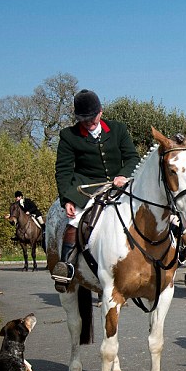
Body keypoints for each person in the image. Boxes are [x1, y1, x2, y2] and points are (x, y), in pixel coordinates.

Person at [52, 89, 139, 289]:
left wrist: (123, 175)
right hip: (87, 187)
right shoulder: (68, 135)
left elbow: (132, 157)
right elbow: (64, 170)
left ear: (100, 112)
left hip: (118, 184)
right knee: (75, 220)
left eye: (92, 117)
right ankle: (66, 265)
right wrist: (67, 199)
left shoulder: (118, 129)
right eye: (84, 119)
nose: (89, 122)